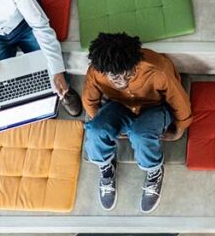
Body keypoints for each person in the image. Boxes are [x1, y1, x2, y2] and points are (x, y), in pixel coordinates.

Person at [82, 32, 191, 213]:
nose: (122, 82)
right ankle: (106, 167)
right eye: (115, 78)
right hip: (119, 106)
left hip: (155, 108)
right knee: (94, 130)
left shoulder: (158, 68)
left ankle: (154, 170)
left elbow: (179, 101)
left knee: (140, 134)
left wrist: (179, 130)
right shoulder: (96, 71)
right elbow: (90, 102)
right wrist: (103, 124)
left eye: (129, 74)